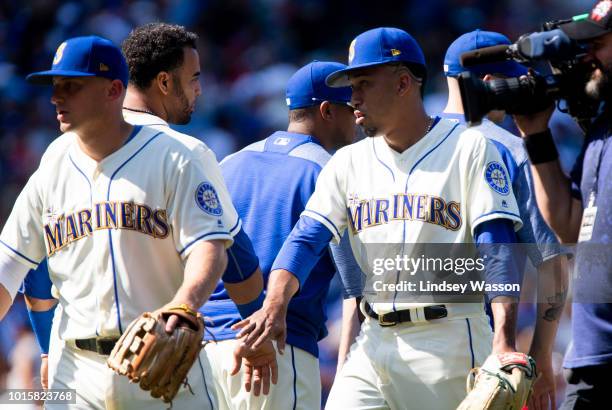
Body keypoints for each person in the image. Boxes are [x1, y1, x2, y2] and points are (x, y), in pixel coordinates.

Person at [234, 27, 527, 409]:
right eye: (351, 85)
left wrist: (504, 339)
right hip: (373, 341)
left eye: (363, 84)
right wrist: (274, 303)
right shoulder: (347, 162)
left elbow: (498, 244)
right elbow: (306, 239)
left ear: (404, 83)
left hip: (449, 338)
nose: (352, 98)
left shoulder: (469, 149)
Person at [0, 35, 235, 409]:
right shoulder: (53, 164)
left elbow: (210, 247)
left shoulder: (177, 156)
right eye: (55, 86)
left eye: (71, 86)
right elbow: (8, 265)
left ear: (113, 90)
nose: (56, 97)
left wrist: (184, 306)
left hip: (160, 355)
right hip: (74, 370)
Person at [201, 60, 360, 409]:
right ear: (327, 110)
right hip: (277, 352)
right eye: (351, 107)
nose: (358, 116)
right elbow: (356, 290)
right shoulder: (331, 173)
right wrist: (349, 375)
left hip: (207, 354)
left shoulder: (228, 163)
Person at [439, 29, 569, 409]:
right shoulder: (511, 148)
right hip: (478, 347)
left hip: (392, 339)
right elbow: (554, 264)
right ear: (491, 83)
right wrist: (542, 355)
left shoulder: (404, 143)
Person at [512, 2, 612, 408]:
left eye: (599, 44)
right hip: (593, 357)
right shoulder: (603, 128)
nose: (587, 58)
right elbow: (569, 225)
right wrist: (535, 135)